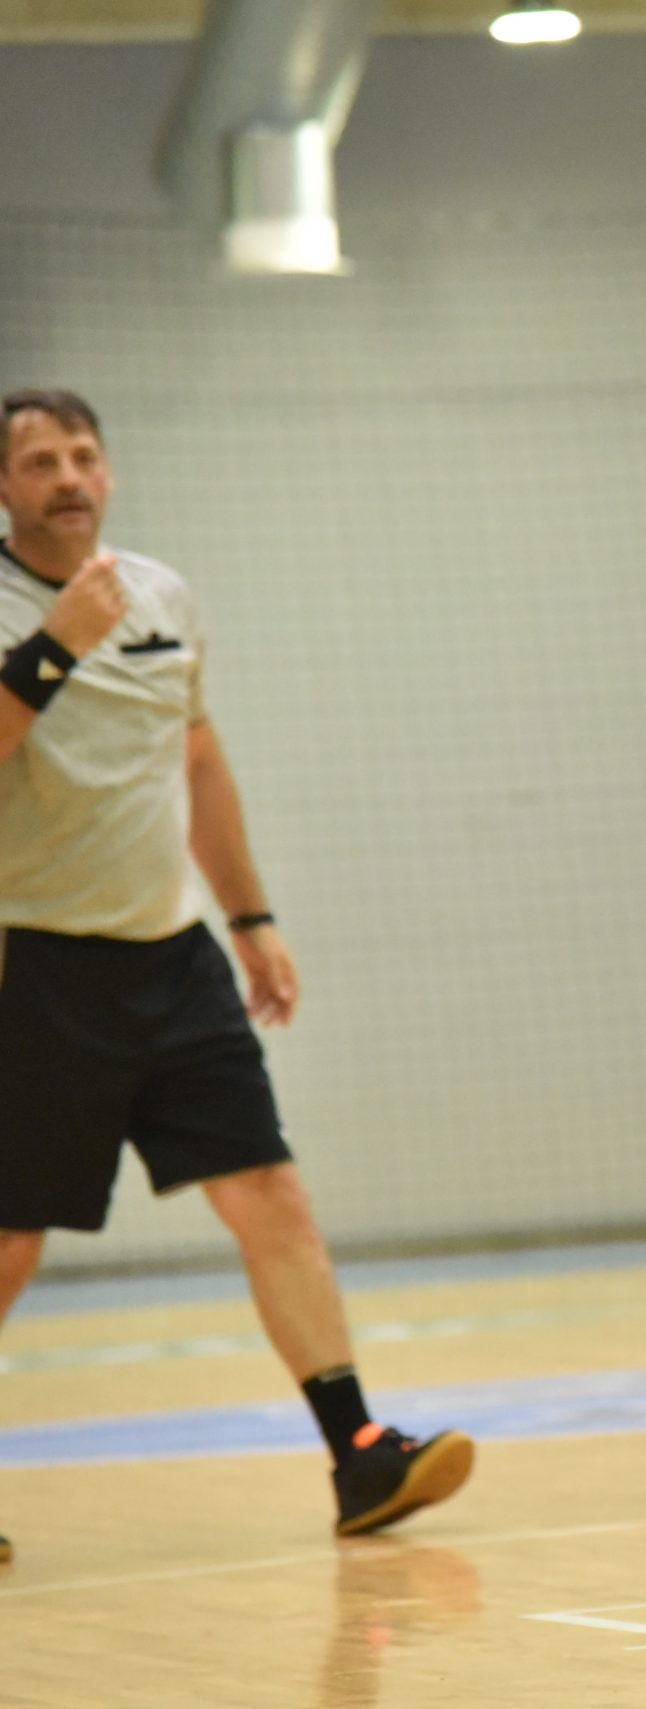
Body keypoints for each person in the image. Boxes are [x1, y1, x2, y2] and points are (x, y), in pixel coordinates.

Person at [0, 390, 473, 1563]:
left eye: (84, 455)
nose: (69, 476)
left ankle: (360, 1452)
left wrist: (250, 914)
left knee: (272, 1193)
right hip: (36, 960)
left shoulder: (162, 593)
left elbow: (197, 755)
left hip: (174, 956)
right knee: (10, 1240)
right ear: (5, 487)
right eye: (40, 460)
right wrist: (54, 646)